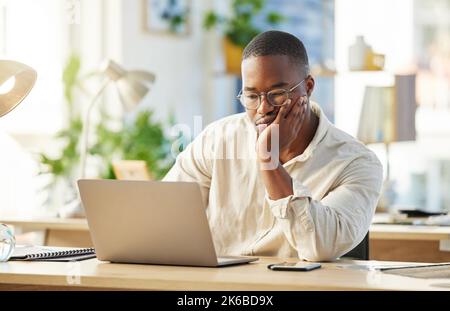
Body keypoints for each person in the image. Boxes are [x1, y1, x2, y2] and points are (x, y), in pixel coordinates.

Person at [164, 30, 382, 261]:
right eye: (251, 96)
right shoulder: (217, 139)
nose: (262, 108)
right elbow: (163, 214)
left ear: (308, 87)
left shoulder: (357, 162)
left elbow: (321, 247)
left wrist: (268, 160)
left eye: (277, 94)